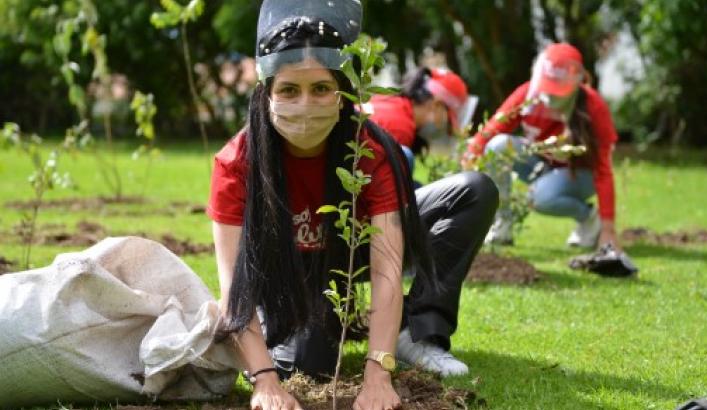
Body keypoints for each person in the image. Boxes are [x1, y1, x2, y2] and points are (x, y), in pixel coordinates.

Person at [207, 1, 498, 409]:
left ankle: (414, 334)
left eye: (321, 89)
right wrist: (265, 380)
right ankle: (280, 327)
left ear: (343, 94)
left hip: (352, 246)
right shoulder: (236, 163)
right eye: (289, 90)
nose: (305, 104)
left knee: (474, 190)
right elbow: (233, 289)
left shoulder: (370, 149)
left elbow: (386, 271)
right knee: (309, 365)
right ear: (266, 93)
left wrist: (378, 373)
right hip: (293, 265)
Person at [464, 43, 620, 249]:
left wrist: (609, 228)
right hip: (541, 165)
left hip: (581, 175)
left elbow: (603, 170)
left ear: (577, 82)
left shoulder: (594, 106)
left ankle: (590, 218)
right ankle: (501, 224)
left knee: (539, 198)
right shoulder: (528, 94)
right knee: (497, 146)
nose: (551, 96)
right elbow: (493, 128)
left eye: (559, 89)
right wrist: (470, 156)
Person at [365, 67, 478, 178]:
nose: (446, 129)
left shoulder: (389, 100)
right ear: (437, 105)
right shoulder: (401, 129)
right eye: (448, 122)